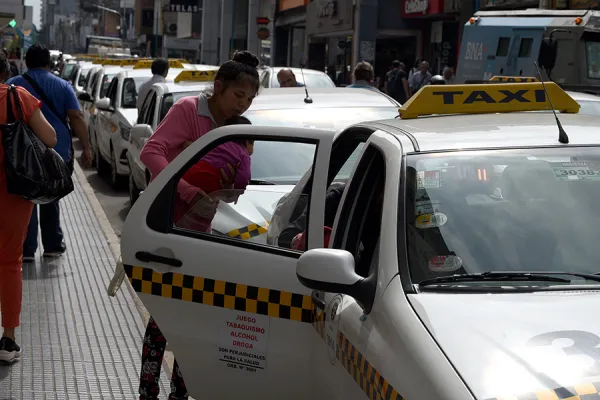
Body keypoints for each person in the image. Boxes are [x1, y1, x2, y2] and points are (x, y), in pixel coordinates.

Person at [138, 50, 261, 400]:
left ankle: (180, 391)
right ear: (218, 88)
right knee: (164, 314)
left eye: (250, 99)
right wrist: (187, 186)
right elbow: (151, 151)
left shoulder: (237, 129)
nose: (243, 104)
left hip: (203, 231)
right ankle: (148, 390)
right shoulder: (189, 110)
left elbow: (234, 182)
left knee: (195, 318)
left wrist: (230, 185)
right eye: (238, 95)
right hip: (169, 226)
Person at [7, 44, 92, 262]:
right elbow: (76, 117)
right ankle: (53, 244)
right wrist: (87, 147)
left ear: (26, 61)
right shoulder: (63, 85)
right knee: (51, 196)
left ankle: (27, 247)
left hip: (21, 155)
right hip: (56, 152)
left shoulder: (13, 86)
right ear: (49, 63)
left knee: (27, 198)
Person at [0, 49, 57, 363]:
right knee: (9, 263)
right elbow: (49, 137)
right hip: (13, 193)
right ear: (6, 72)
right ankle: (8, 340)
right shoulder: (17, 96)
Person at [175, 116, 254, 230]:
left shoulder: (216, 142)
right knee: (206, 210)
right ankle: (198, 231)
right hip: (211, 179)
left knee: (182, 206)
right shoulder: (243, 154)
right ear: (247, 142)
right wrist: (238, 191)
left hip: (191, 173)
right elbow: (243, 177)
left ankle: (176, 224)